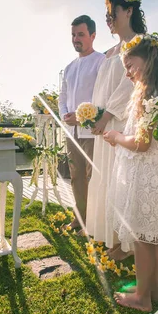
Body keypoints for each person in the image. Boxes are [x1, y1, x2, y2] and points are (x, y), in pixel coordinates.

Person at [103, 34, 158, 311]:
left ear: (149, 60)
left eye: (131, 66)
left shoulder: (149, 97)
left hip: (145, 176)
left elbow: (142, 143)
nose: (127, 72)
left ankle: (142, 297)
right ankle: (152, 290)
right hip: (155, 173)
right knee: (153, 238)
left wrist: (117, 136)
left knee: (143, 238)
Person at [85, 0, 147, 261]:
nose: (109, 19)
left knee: (121, 181)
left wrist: (107, 115)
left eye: (113, 14)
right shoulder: (108, 52)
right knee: (105, 177)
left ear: (129, 11)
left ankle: (126, 243)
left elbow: (127, 84)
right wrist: (92, 115)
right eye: (107, 15)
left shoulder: (139, 44)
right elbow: (101, 87)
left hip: (121, 121)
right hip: (103, 123)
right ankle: (108, 233)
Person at [58, 15, 106, 231]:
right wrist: (65, 115)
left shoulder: (101, 61)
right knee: (76, 175)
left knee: (93, 175)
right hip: (72, 131)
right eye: (73, 35)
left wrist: (83, 117)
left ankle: (96, 222)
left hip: (92, 131)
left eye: (81, 34)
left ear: (93, 36)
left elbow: (103, 96)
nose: (76, 39)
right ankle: (81, 219)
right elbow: (63, 96)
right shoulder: (69, 67)